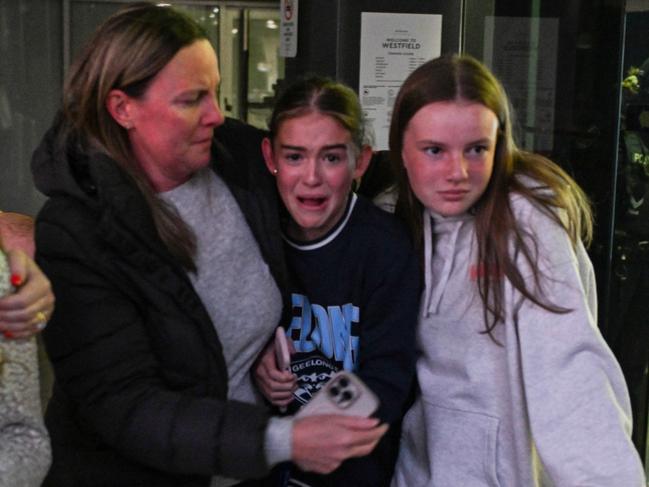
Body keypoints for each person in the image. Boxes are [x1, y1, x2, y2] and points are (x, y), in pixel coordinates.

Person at [30, 3, 387, 486]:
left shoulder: (234, 155)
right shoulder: (77, 230)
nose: (216, 115)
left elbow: (326, 159)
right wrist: (283, 439)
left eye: (215, 91)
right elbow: (128, 406)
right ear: (123, 108)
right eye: (191, 99)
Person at [388, 54, 647, 486]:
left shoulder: (526, 223)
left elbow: (569, 371)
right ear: (401, 148)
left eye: (477, 149)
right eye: (435, 150)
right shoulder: (394, 217)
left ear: (500, 145)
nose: (458, 172)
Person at [253, 77, 420, 486]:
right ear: (270, 156)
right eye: (294, 157)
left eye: (331, 158)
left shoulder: (386, 250)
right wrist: (255, 364)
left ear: (360, 161)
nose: (311, 177)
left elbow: (389, 379)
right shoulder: (254, 232)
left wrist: (304, 439)